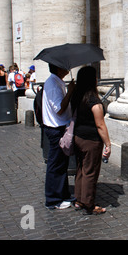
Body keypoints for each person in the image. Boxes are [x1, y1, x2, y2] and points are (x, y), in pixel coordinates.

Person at [71, 66, 111, 215]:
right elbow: (100, 125)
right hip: (91, 140)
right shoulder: (94, 102)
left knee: (81, 169)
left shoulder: (76, 96)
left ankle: (79, 199)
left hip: (78, 137)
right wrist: (108, 143)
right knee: (90, 172)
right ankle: (89, 203)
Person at [43, 63, 75, 209]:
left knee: (61, 164)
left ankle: (63, 194)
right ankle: (53, 199)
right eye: (64, 66)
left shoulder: (56, 82)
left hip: (59, 127)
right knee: (56, 165)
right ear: (58, 68)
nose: (67, 68)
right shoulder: (53, 84)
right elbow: (59, 110)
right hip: (56, 129)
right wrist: (70, 92)